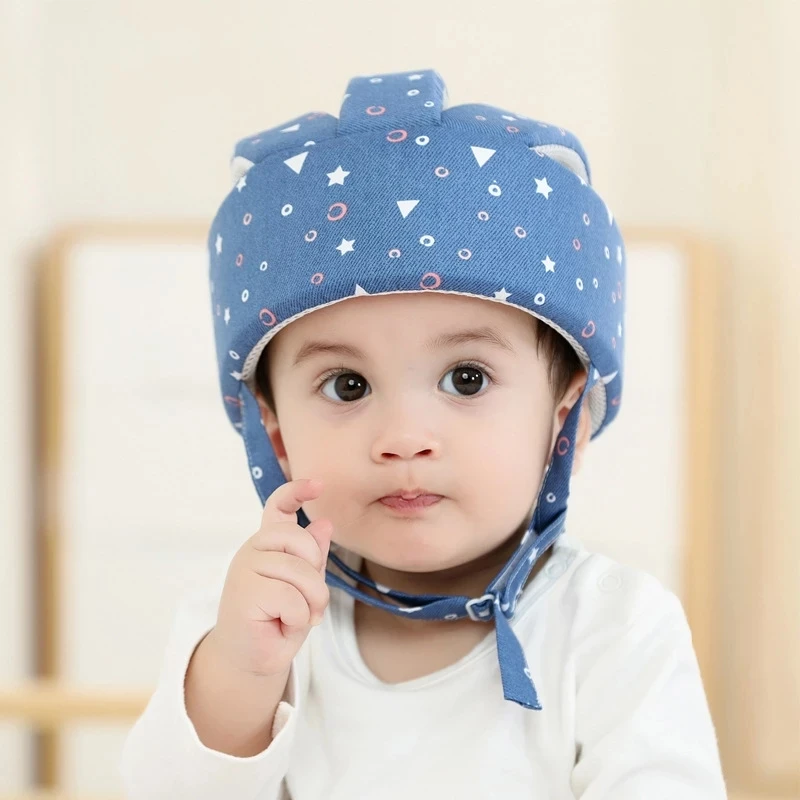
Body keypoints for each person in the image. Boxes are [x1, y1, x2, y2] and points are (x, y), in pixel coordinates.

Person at [120, 69, 728, 798]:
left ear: (565, 415)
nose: (404, 438)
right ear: (274, 430)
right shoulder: (253, 619)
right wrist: (240, 680)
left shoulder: (613, 628)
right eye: (348, 386)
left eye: (466, 379)